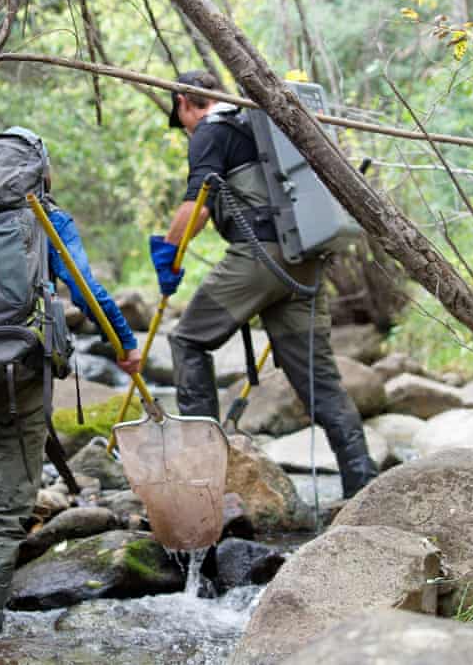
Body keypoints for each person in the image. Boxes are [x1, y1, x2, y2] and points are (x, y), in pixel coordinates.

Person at [0, 126, 141, 632]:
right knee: (6, 508)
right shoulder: (43, 218)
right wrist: (126, 344)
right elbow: (87, 290)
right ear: (37, 168)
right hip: (16, 369)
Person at [151, 71, 377, 499]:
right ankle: (363, 489)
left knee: (188, 341)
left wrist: (168, 251)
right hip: (304, 265)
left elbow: (196, 206)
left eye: (180, 116)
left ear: (184, 102)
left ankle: (203, 478)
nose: (184, 126)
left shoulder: (210, 132)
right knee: (320, 384)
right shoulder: (262, 123)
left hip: (261, 259)